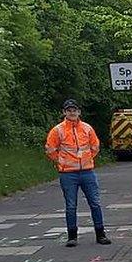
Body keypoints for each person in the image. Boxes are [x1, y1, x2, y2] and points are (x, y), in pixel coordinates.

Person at [44, 99, 111, 247]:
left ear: (79, 112)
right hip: (68, 174)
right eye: (69, 110)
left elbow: (95, 146)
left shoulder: (87, 128)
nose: (72, 112)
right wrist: (61, 161)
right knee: (71, 205)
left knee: (95, 203)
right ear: (64, 112)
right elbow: (50, 149)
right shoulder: (58, 130)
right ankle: (72, 236)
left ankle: (101, 234)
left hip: (87, 172)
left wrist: (87, 159)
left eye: (74, 110)